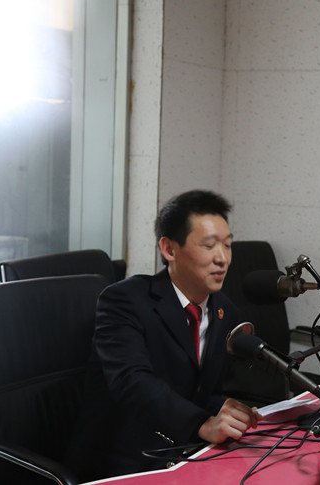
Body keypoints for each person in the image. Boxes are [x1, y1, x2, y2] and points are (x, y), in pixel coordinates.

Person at [65, 189, 260, 481]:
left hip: (186, 452)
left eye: (228, 245)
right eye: (209, 245)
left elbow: (199, 388)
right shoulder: (124, 300)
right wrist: (201, 423)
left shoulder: (225, 311)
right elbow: (131, 381)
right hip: (123, 459)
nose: (222, 258)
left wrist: (225, 408)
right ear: (169, 249)